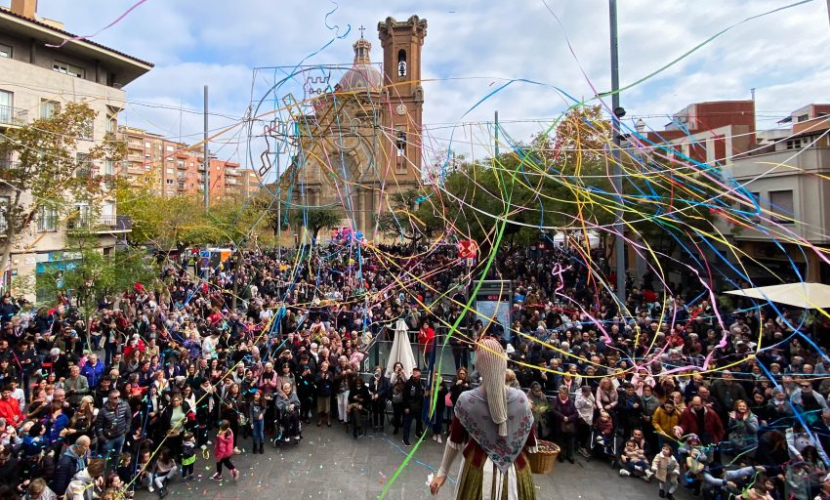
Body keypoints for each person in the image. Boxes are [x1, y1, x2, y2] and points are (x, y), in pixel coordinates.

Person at [429, 337, 538, 499]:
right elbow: (531, 441)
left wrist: (442, 472)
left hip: (478, 468)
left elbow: (455, 440)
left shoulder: (467, 400)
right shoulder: (521, 398)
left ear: (479, 367)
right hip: (516, 469)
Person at [95, 389, 132, 464]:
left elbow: (129, 417)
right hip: (108, 439)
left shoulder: (125, 405)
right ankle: (101, 474)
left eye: (119, 396)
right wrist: (103, 438)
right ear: (110, 399)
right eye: (115, 397)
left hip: (121, 436)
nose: (118, 399)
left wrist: (126, 431)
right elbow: (98, 426)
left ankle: (114, 471)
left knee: (117, 455)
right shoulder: (103, 411)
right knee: (104, 458)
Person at [402, 367, 425, 446]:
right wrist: (406, 407)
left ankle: (418, 434)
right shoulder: (409, 383)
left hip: (418, 407)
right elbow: (404, 396)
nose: (418, 376)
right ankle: (405, 439)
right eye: (417, 374)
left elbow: (422, 393)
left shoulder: (421, 382)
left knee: (419, 422)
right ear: (413, 374)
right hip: (410, 406)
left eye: (419, 375)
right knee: (407, 423)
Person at [368, 366, 390, 431]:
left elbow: (385, 389)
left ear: (381, 371)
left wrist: (379, 394)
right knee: (375, 412)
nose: (378, 372)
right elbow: (370, 388)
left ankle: (381, 425)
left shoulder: (385, 379)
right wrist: (374, 384)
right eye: (376, 371)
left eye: (379, 371)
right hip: (374, 398)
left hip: (382, 398)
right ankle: (376, 425)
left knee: (381, 412)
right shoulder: (372, 378)